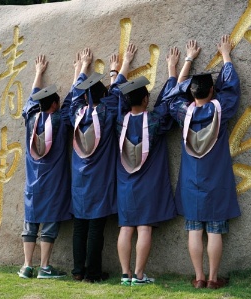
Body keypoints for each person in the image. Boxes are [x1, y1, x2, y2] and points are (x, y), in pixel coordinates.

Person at [166, 36, 241, 289]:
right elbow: (231, 88)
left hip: (191, 181)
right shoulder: (220, 109)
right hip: (216, 179)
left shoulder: (181, 112)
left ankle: (198, 277)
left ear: (192, 93)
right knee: (216, 230)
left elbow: (171, 96)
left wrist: (185, 62)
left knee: (195, 229)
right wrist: (226, 56)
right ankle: (212, 279)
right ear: (212, 91)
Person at [113, 44, 179, 286]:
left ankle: (124, 274)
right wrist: (172, 71)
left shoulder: (119, 121)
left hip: (126, 185)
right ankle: (139, 275)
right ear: (145, 99)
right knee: (144, 229)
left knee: (126, 228)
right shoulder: (154, 121)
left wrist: (120, 68)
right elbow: (167, 104)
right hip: (149, 184)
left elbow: (116, 98)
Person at [17, 54, 72, 279]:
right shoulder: (60, 121)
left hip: (33, 182)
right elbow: (75, 101)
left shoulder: (31, 118)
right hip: (53, 183)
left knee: (30, 224)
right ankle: (45, 267)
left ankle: (27, 266)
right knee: (49, 225)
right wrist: (80, 70)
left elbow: (32, 99)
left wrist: (38, 72)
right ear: (55, 105)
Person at [68, 48, 120, 283]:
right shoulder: (107, 114)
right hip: (100, 178)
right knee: (96, 228)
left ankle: (78, 271)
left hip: (80, 179)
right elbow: (116, 95)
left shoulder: (77, 114)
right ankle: (93, 273)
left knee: (80, 227)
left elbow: (73, 98)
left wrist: (82, 70)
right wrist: (114, 71)